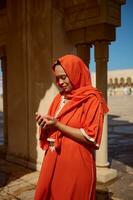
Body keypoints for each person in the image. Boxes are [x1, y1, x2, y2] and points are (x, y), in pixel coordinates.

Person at [34, 54, 109, 200]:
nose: (60, 82)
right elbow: (52, 126)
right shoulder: (59, 98)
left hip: (76, 165)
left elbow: (91, 137)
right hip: (54, 161)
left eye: (64, 77)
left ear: (76, 73)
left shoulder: (91, 99)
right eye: (57, 78)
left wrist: (57, 124)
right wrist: (45, 124)